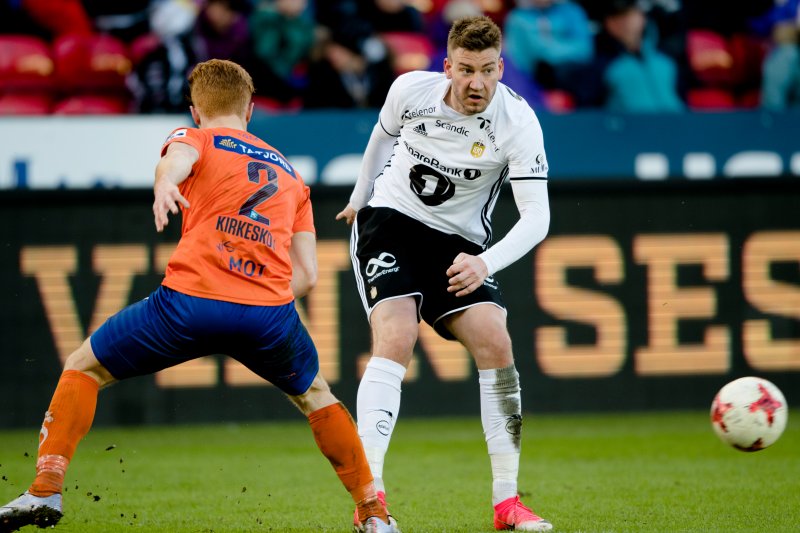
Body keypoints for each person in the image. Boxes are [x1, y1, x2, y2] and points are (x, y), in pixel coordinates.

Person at [0, 59, 398, 533]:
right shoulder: (292, 176)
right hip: (266, 315)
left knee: (83, 366)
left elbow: (178, 160)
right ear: (250, 109)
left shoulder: (197, 138)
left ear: (195, 111)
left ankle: (45, 489)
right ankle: (374, 517)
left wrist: (165, 181)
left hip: (188, 304)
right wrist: (255, 295)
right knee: (317, 397)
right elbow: (308, 276)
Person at [336, 15, 552, 532]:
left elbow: (538, 218)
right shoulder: (410, 90)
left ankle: (507, 505)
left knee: (496, 342)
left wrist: (484, 261)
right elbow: (381, 139)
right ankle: (372, 504)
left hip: (458, 245)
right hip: (390, 220)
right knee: (397, 335)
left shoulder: (518, 123)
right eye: (466, 70)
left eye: (487, 71)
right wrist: (359, 197)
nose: (476, 84)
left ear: (501, 66)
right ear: (447, 66)